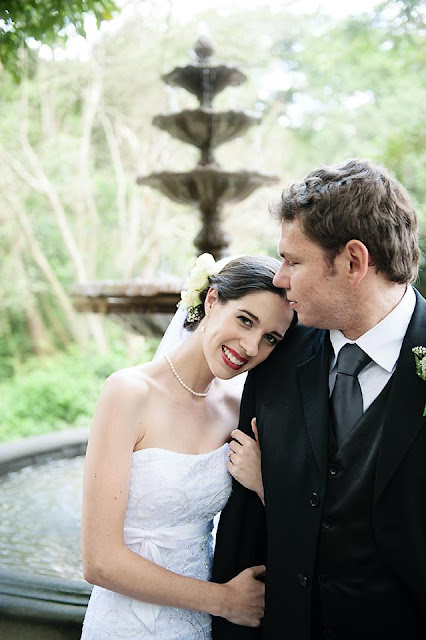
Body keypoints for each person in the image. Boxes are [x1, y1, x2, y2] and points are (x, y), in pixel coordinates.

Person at [212, 158, 426, 640]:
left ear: (353, 262)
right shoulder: (275, 353)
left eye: (293, 261)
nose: (279, 278)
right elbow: (243, 528)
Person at [80, 253, 295, 639]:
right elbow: (99, 561)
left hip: (199, 627)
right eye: (245, 320)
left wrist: (264, 481)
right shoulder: (129, 392)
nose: (250, 346)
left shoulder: (238, 409)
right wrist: (225, 601)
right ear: (212, 301)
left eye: (270, 338)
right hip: (127, 623)